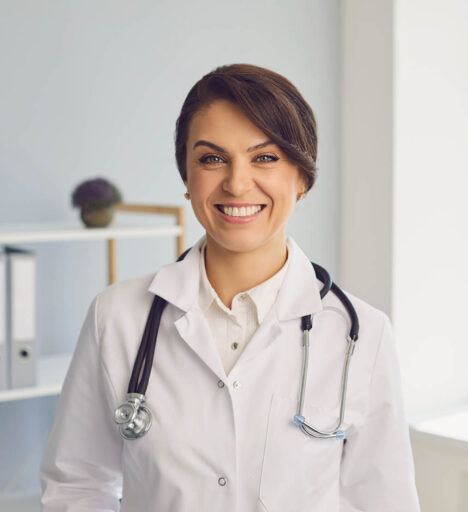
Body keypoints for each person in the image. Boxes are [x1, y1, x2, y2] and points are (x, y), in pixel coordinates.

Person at [39, 63, 421, 511]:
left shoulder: (363, 336)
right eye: (212, 158)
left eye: (265, 157)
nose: (237, 183)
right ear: (187, 176)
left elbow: (384, 503)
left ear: (301, 178)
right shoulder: (118, 318)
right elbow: (77, 487)